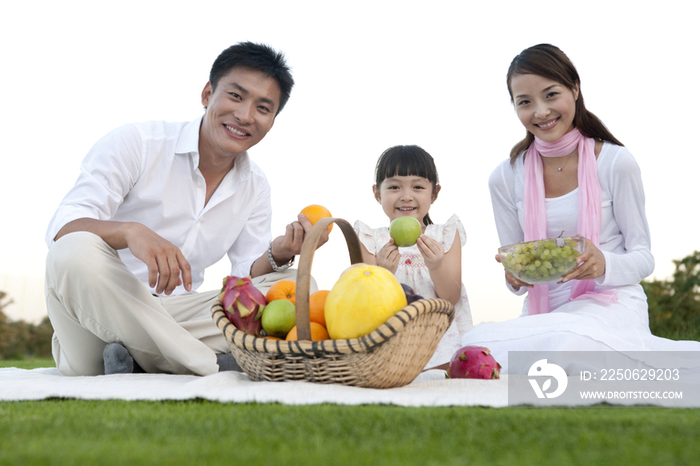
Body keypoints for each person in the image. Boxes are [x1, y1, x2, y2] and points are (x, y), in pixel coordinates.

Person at [44, 42, 325, 377]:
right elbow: (62, 227)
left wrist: (278, 253)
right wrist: (130, 231)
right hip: (96, 320)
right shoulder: (138, 143)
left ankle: (135, 360)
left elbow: (245, 282)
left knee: (299, 285)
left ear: (272, 121)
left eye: (263, 108)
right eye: (235, 96)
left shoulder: (256, 186)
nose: (245, 116)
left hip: (176, 313)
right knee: (72, 250)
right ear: (207, 93)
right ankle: (206, 363)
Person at [460, 43, 700, 374]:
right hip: (542, 316)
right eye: (525, 102)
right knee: (472, 343)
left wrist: (603, 264)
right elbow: (518, 272)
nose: (541, 111)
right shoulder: (504, 177)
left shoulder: (616, 162)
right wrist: (514, 275)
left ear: (574, 88)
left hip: (611, 305)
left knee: (567, 341)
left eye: (551, 94)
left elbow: (644, 258)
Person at [354, 145, 473, 369]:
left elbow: (451, 297)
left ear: (434, 193)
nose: (406, 197)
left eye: (418, 187)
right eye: (394, 187)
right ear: (377, 193)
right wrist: (382, 272)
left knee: (440, 382)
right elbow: (364, 299)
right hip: (389, 342)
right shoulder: (371, 239)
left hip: (438, 340)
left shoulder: (445, 235)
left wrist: (436, 265)